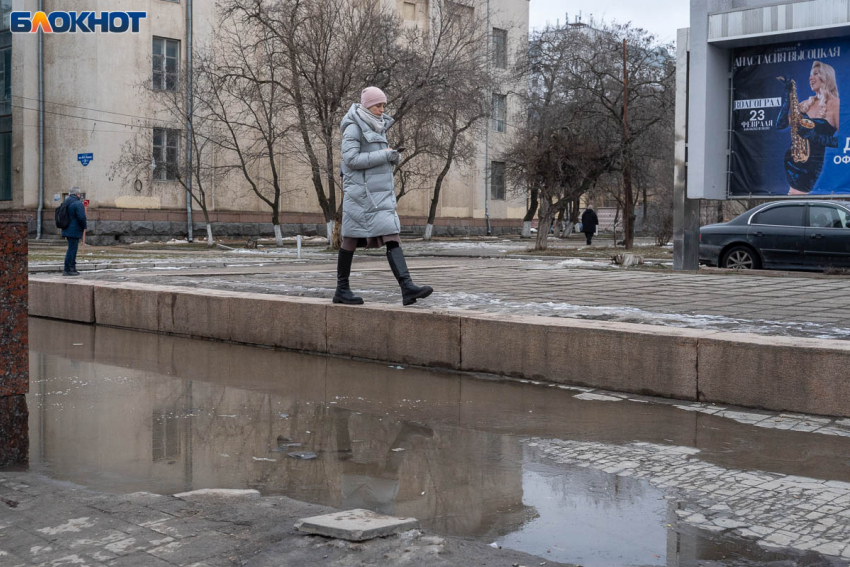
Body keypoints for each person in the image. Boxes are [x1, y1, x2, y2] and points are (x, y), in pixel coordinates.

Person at [335, 87, 433, 306]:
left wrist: (391, 157)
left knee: (391, 235)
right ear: (368, 105)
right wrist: (384, 155)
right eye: (378, 105)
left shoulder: (377, 126)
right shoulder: (353, 126)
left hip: (378, 195)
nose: (381, 110)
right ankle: (341, 290)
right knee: (350, 240)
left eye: (383, 106)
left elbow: (373, 158)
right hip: (361, 195)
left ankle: (407, 287)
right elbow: (351, 159)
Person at [776, 61, 840, 195]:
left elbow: (843, 141)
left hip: (810, 166)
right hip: (792, 160)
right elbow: (781, 124)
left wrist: (815, 137)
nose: (811, 78)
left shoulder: (836, 105)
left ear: (827, 76)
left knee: (798, 202)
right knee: (794, 202)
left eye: (816, 74)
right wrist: (788, 98)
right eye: (810, 75)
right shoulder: (806, 104)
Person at [61, 187, 87, 277]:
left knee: (71, 248)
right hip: (74, 229)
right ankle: (68, 269)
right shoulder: (78, 203)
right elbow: (81, 217)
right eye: (80, 194)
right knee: (72, 249)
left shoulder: (66, 202)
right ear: (77, 194)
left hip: (67, 228)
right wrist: (84, 226)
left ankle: (71, 268)